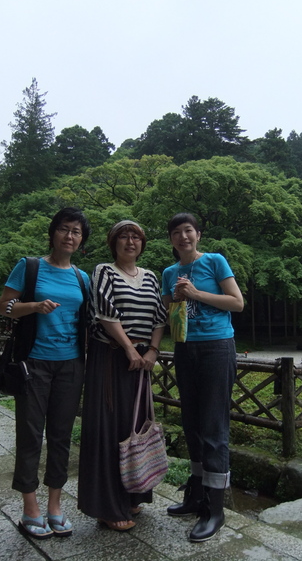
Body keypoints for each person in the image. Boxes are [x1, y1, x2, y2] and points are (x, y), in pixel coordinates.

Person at [0, 207, 90, 539]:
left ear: (82, 240)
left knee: (62, 437)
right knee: (31, 434)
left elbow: (91, 320)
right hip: (34, 362)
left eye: (76, 232)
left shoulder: (83, 278)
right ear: (53, 233)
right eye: (65, 229)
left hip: (71, 364)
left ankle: (55, 505)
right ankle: (30, 507)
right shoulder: (30, 267)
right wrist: (33, 307)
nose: (70, 236)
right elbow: (4, 306)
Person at [78, 220, 166, 531]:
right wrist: (129, 348)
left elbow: (159, 315)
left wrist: (152, 351)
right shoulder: (103, 271)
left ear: (143, 243)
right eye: (124, 237)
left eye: (136, 237)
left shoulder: (151, 277)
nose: (130, 242)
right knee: (108, 427)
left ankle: (132, 495)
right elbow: (104, 312)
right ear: (113, 243)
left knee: (135, 428)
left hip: (141, 361)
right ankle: (107, 507)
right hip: (111, 357)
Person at [162, 212, 244, 542]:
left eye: (188, 231)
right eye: (177, 233)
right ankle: (195, 495)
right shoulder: (169, 272)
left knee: (213, 425)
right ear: (170, 240)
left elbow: (237, 303)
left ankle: (215, 508)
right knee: (191, 423)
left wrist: (196, 294)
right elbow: (169, 309)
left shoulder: (214, 261)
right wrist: (176, 299)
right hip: (185, 347)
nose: (183, 236)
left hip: (216, 347)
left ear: (198, 234)